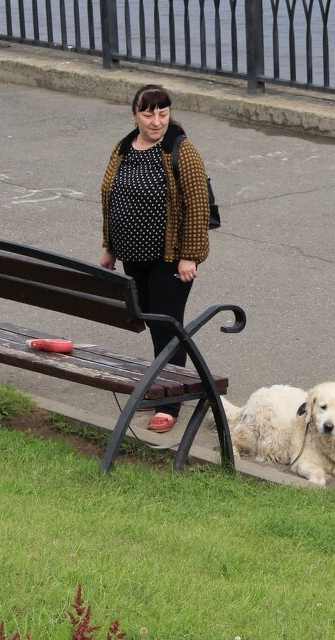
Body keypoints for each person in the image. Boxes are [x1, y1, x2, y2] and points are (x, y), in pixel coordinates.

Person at [99, 85, 212, 433]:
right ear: (134, 114)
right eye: (148, 113)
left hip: (170, 259)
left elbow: (197, 205)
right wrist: (110, 248)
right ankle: (177, 381)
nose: (156, 121)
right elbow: (111, 199)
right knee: (156, 323)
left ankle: (170, 401)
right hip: (134, 256)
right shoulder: (124, 148)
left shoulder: (182, 150)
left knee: (167, 325)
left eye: (163, 113)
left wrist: (189, 257)